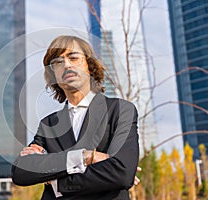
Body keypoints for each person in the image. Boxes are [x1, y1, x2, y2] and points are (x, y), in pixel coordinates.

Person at [11, 35, 139, 199]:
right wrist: (85, 157)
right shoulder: (49, 123)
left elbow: (121, 173)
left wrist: (58, 182)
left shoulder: (121, 110)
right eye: (57, 62)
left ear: (89, 65)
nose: (66, 65)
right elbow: (22, 172)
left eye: (73, 57)